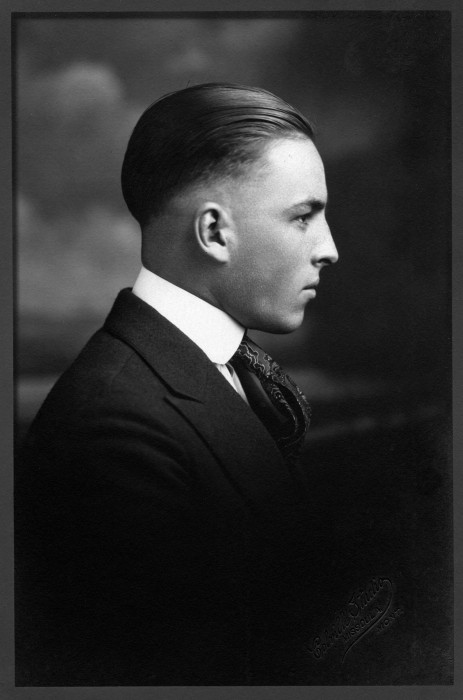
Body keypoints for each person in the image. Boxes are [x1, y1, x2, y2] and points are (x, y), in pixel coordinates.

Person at [15, 83, 338, 686]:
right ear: (214, 232)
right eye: (303, 217)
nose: (330, 249)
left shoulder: (225, 369)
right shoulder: (111, 432)